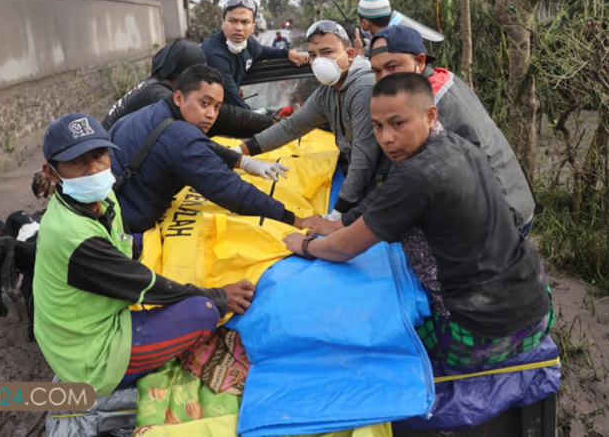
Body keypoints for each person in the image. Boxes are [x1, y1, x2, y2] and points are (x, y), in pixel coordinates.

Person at [284, 73, 552, 367]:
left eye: (398, 124)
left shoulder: (416, 175)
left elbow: (344, 249)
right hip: (538, 308)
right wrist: (344, 221)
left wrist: (306, 245)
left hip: (479, 331)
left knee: (359, 341)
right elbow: (384, 202)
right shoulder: (459, 144)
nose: (386, 138)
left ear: (430, 114)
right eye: (377, 126)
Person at [33, 111, 255, 396]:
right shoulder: (72, 236)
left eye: (99, 156)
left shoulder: (101, 196)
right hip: (89, 356)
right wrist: (220, 297)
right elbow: (147, 286)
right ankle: (112, 382)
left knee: (166, 246)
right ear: (52, 172)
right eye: (77, 163)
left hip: (86, 322)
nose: (93, 169)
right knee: (203, 311)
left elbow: (122, 242)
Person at [365, 25, 535, 234]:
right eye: (377, 71)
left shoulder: (429, 104)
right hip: (508, 202)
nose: (384, 78)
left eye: (393, 67)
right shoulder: (439, 80)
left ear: (419, 62)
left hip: (503, 215)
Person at [109, 64, 303, 233]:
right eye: (204, 103)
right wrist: (293, 219)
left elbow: (199, 145)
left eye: (217, 107)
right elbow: (230, 190)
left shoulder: (154, 112)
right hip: (126, 224)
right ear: (178, 98)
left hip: (112, 205)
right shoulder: (179, 136)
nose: (211, 114)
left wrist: (243, 161)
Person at [234, 20, 387, 221]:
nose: (319, 61)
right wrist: (239, 152)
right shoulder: (329, 89)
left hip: (378, 181)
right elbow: (292, 126)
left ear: (349, 55)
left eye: (327, 52)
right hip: (351, 171)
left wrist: (338, 213)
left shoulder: (363, 87)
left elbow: (364, 157)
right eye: (313, 55)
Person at [101, 40, 274, 137]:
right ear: (182, 75)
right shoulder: (157, 94)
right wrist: (271, 123)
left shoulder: (154, 86)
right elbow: (223, 117)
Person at [202, 0, 309, 108]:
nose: (238, 28)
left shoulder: (249, 43)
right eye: (232, 21)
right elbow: (235, 103)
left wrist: (287, 53)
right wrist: (272, 122)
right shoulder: (215, 56)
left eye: (244, 22)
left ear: (253, 27)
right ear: (223, 24)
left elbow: (263, 51)